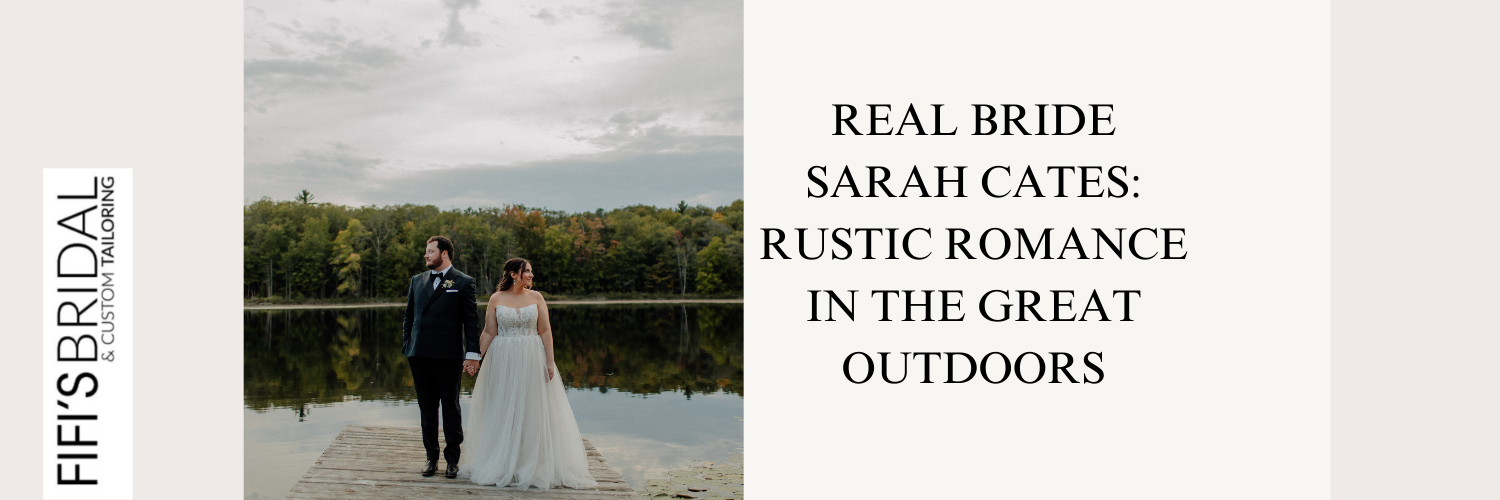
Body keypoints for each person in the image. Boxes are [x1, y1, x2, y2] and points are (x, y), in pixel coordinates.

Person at [458, 257, 598, 489]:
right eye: (527, 271)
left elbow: (545, 331)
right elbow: (489, 332)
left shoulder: (537, 297)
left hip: (532, 357)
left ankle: (531, 463)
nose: (531, 275)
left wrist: (550, 361)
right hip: (503, 359)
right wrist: (475, 357)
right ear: (514, 274)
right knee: (504, 407)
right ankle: (505, 461)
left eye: (531, 271)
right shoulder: (496, 298)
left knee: (532, 408)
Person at [401, 236, 482, 479]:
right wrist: (407, 345)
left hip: (448, 355)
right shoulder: (417, 281)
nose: (426, 255)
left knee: (450, 407)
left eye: (430, 251)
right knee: (426, 407)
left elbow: (471, 321)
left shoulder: (463, 282)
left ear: (444, 253)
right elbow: (409, 316)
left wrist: (472, 354)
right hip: (419, 354)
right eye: (426, 251)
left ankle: (452, 460)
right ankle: (431, 458)